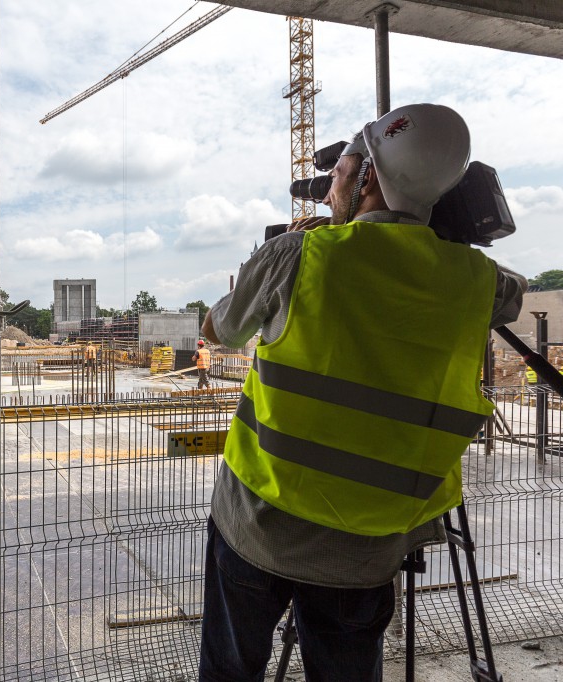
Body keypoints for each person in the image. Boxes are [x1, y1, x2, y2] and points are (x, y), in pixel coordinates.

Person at [198, 103, 527, 682]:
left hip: (259, 527)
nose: (328, 194)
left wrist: (314, 242)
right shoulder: (477, 282)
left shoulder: (299, 257)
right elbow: (510, 290)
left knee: (229, 671)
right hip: (367, 551)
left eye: (339, 177)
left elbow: (216, 330)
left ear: (368, 177)